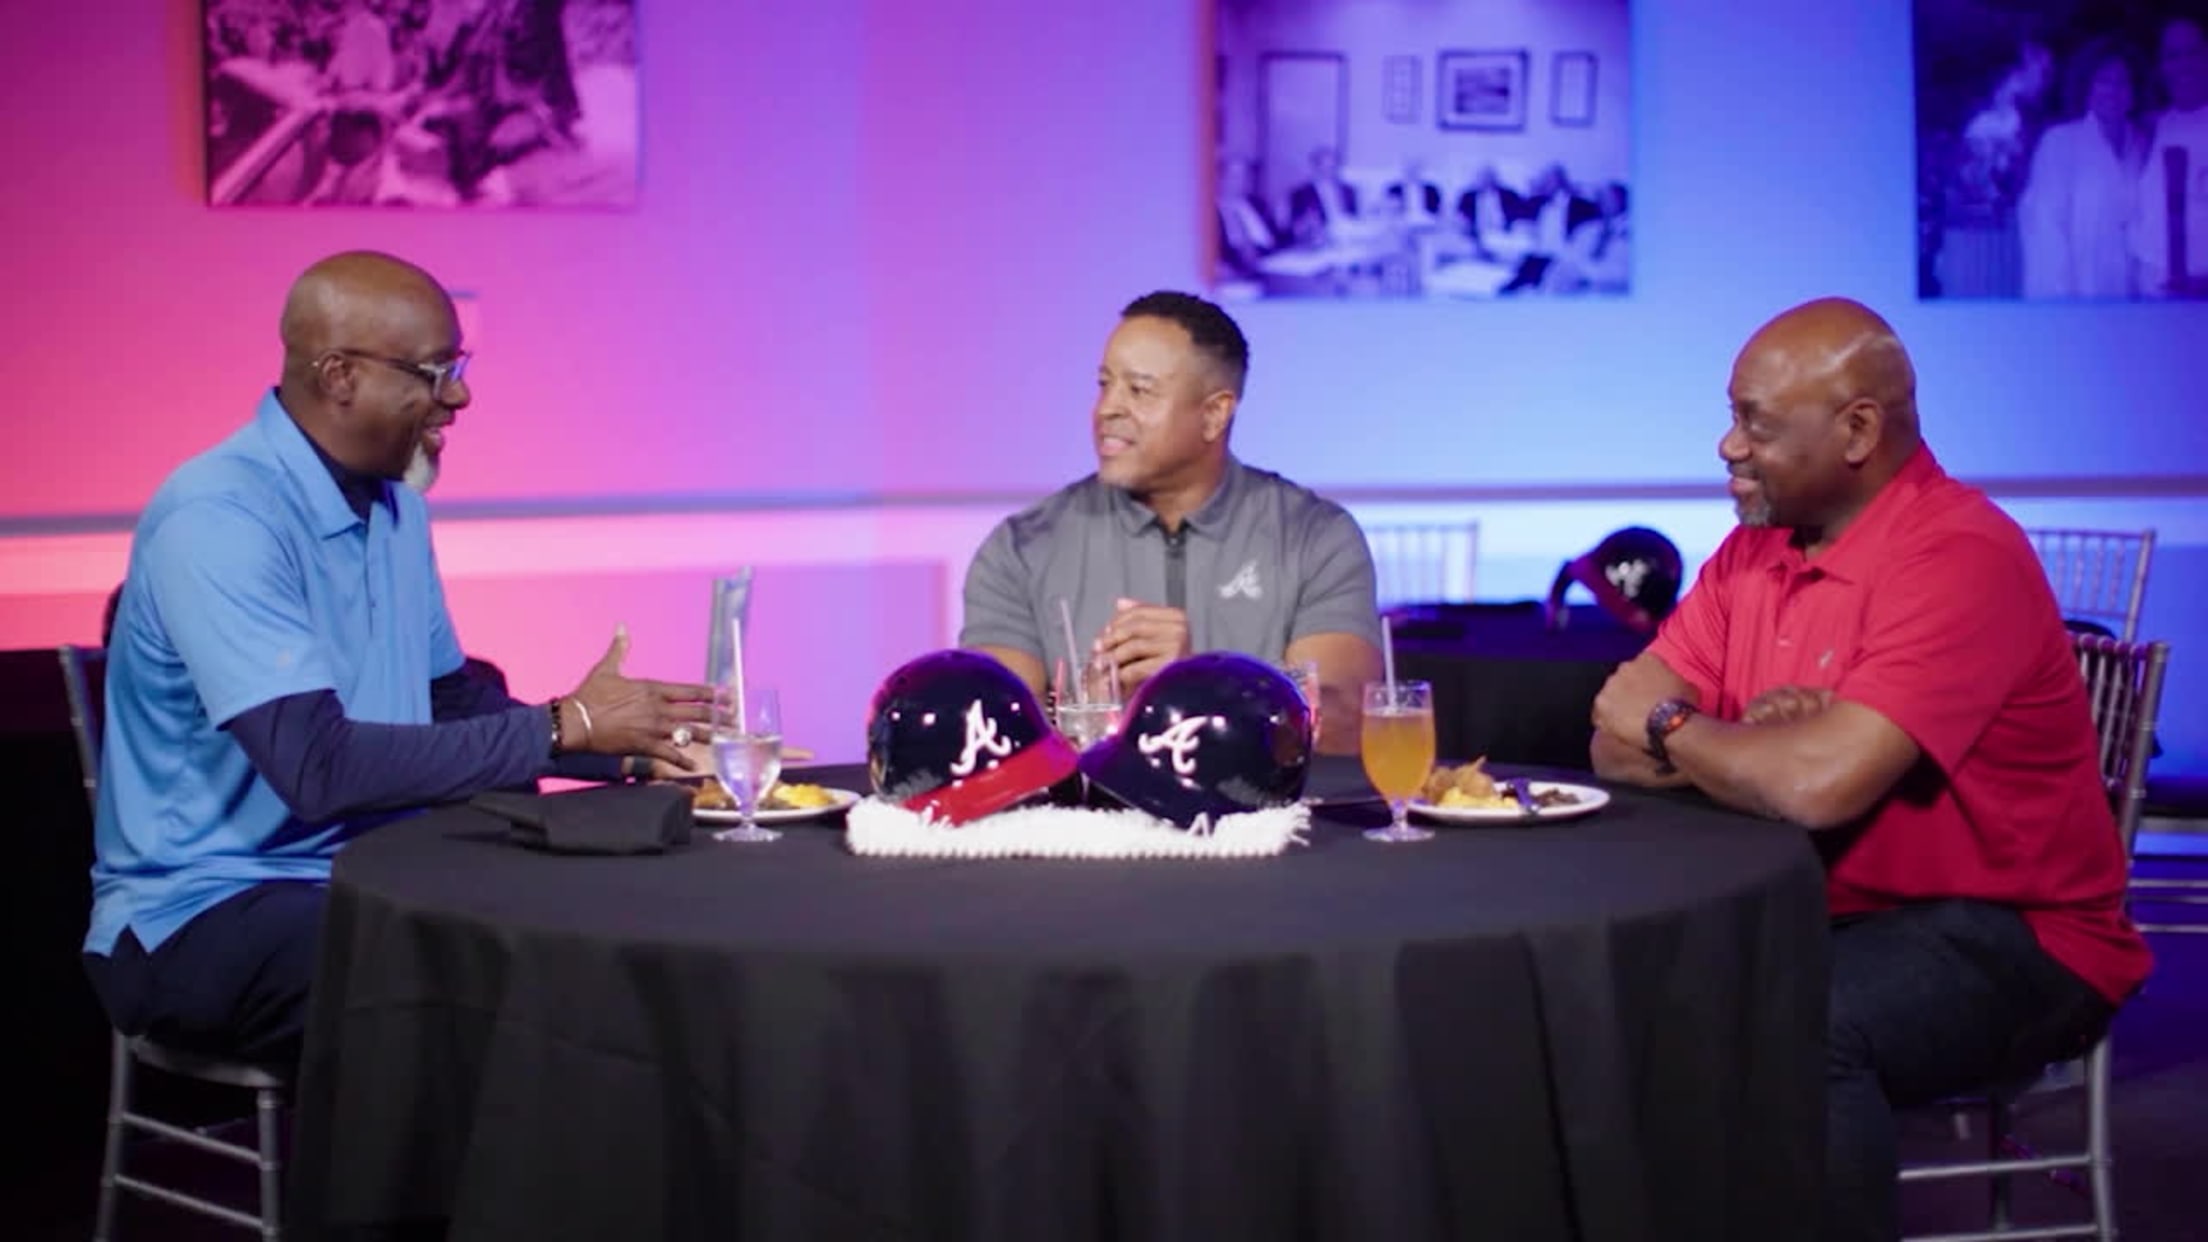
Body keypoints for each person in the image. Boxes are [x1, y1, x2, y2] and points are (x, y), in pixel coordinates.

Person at [1588, 298, 2150, 1241]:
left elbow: (1809, 787)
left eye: (1757, 422)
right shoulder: (1749, 554)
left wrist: (1677, 724)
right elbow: (1610, 745)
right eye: (1732, 417)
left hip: (2020, 934)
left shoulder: (1961, 554)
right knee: (1638, 987)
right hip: (1829, 908)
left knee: (1799, 1022)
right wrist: (1750, 752)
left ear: (1856, 431)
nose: (1729, 445)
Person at [83, 251, 712, 1071]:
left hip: (369, 875)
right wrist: (566, 726)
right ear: (339, 376)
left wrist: (634, 748)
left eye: (458, 369)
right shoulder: (220, 517)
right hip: (202, 913)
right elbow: (318, 769)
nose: (459, 397)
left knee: (608, 922)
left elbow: (449, 704)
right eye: (435, 373)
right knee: (482, 978)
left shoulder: (394, 506)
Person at [960, 292, 1382, 753]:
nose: (1107, 408)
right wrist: (1089, 715)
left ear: (1214, 414)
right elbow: (989, 734)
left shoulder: (1314, 536)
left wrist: (1202, 687)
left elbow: (1345, 719)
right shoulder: (1022, 548)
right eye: (1104, 384)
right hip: (1089, 802)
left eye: (1139, 390)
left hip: (1263, 801)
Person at [2018, 38, 2147, 299]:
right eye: (2103, 80)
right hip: (2076, 304)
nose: (2113, 90)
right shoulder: (2059, 144)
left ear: (2134, 91)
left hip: (2134, 303)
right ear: (2087, 86)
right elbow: (2046, 235)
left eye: (2123, 81)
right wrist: (2063, 310)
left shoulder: (2143, 146)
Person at [2135, 13, 2208, 298]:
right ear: (2161, 66)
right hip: (2151, 300)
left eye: (2193, 53)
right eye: (2173, 56)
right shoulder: (2150, 130)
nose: (2183, 65)